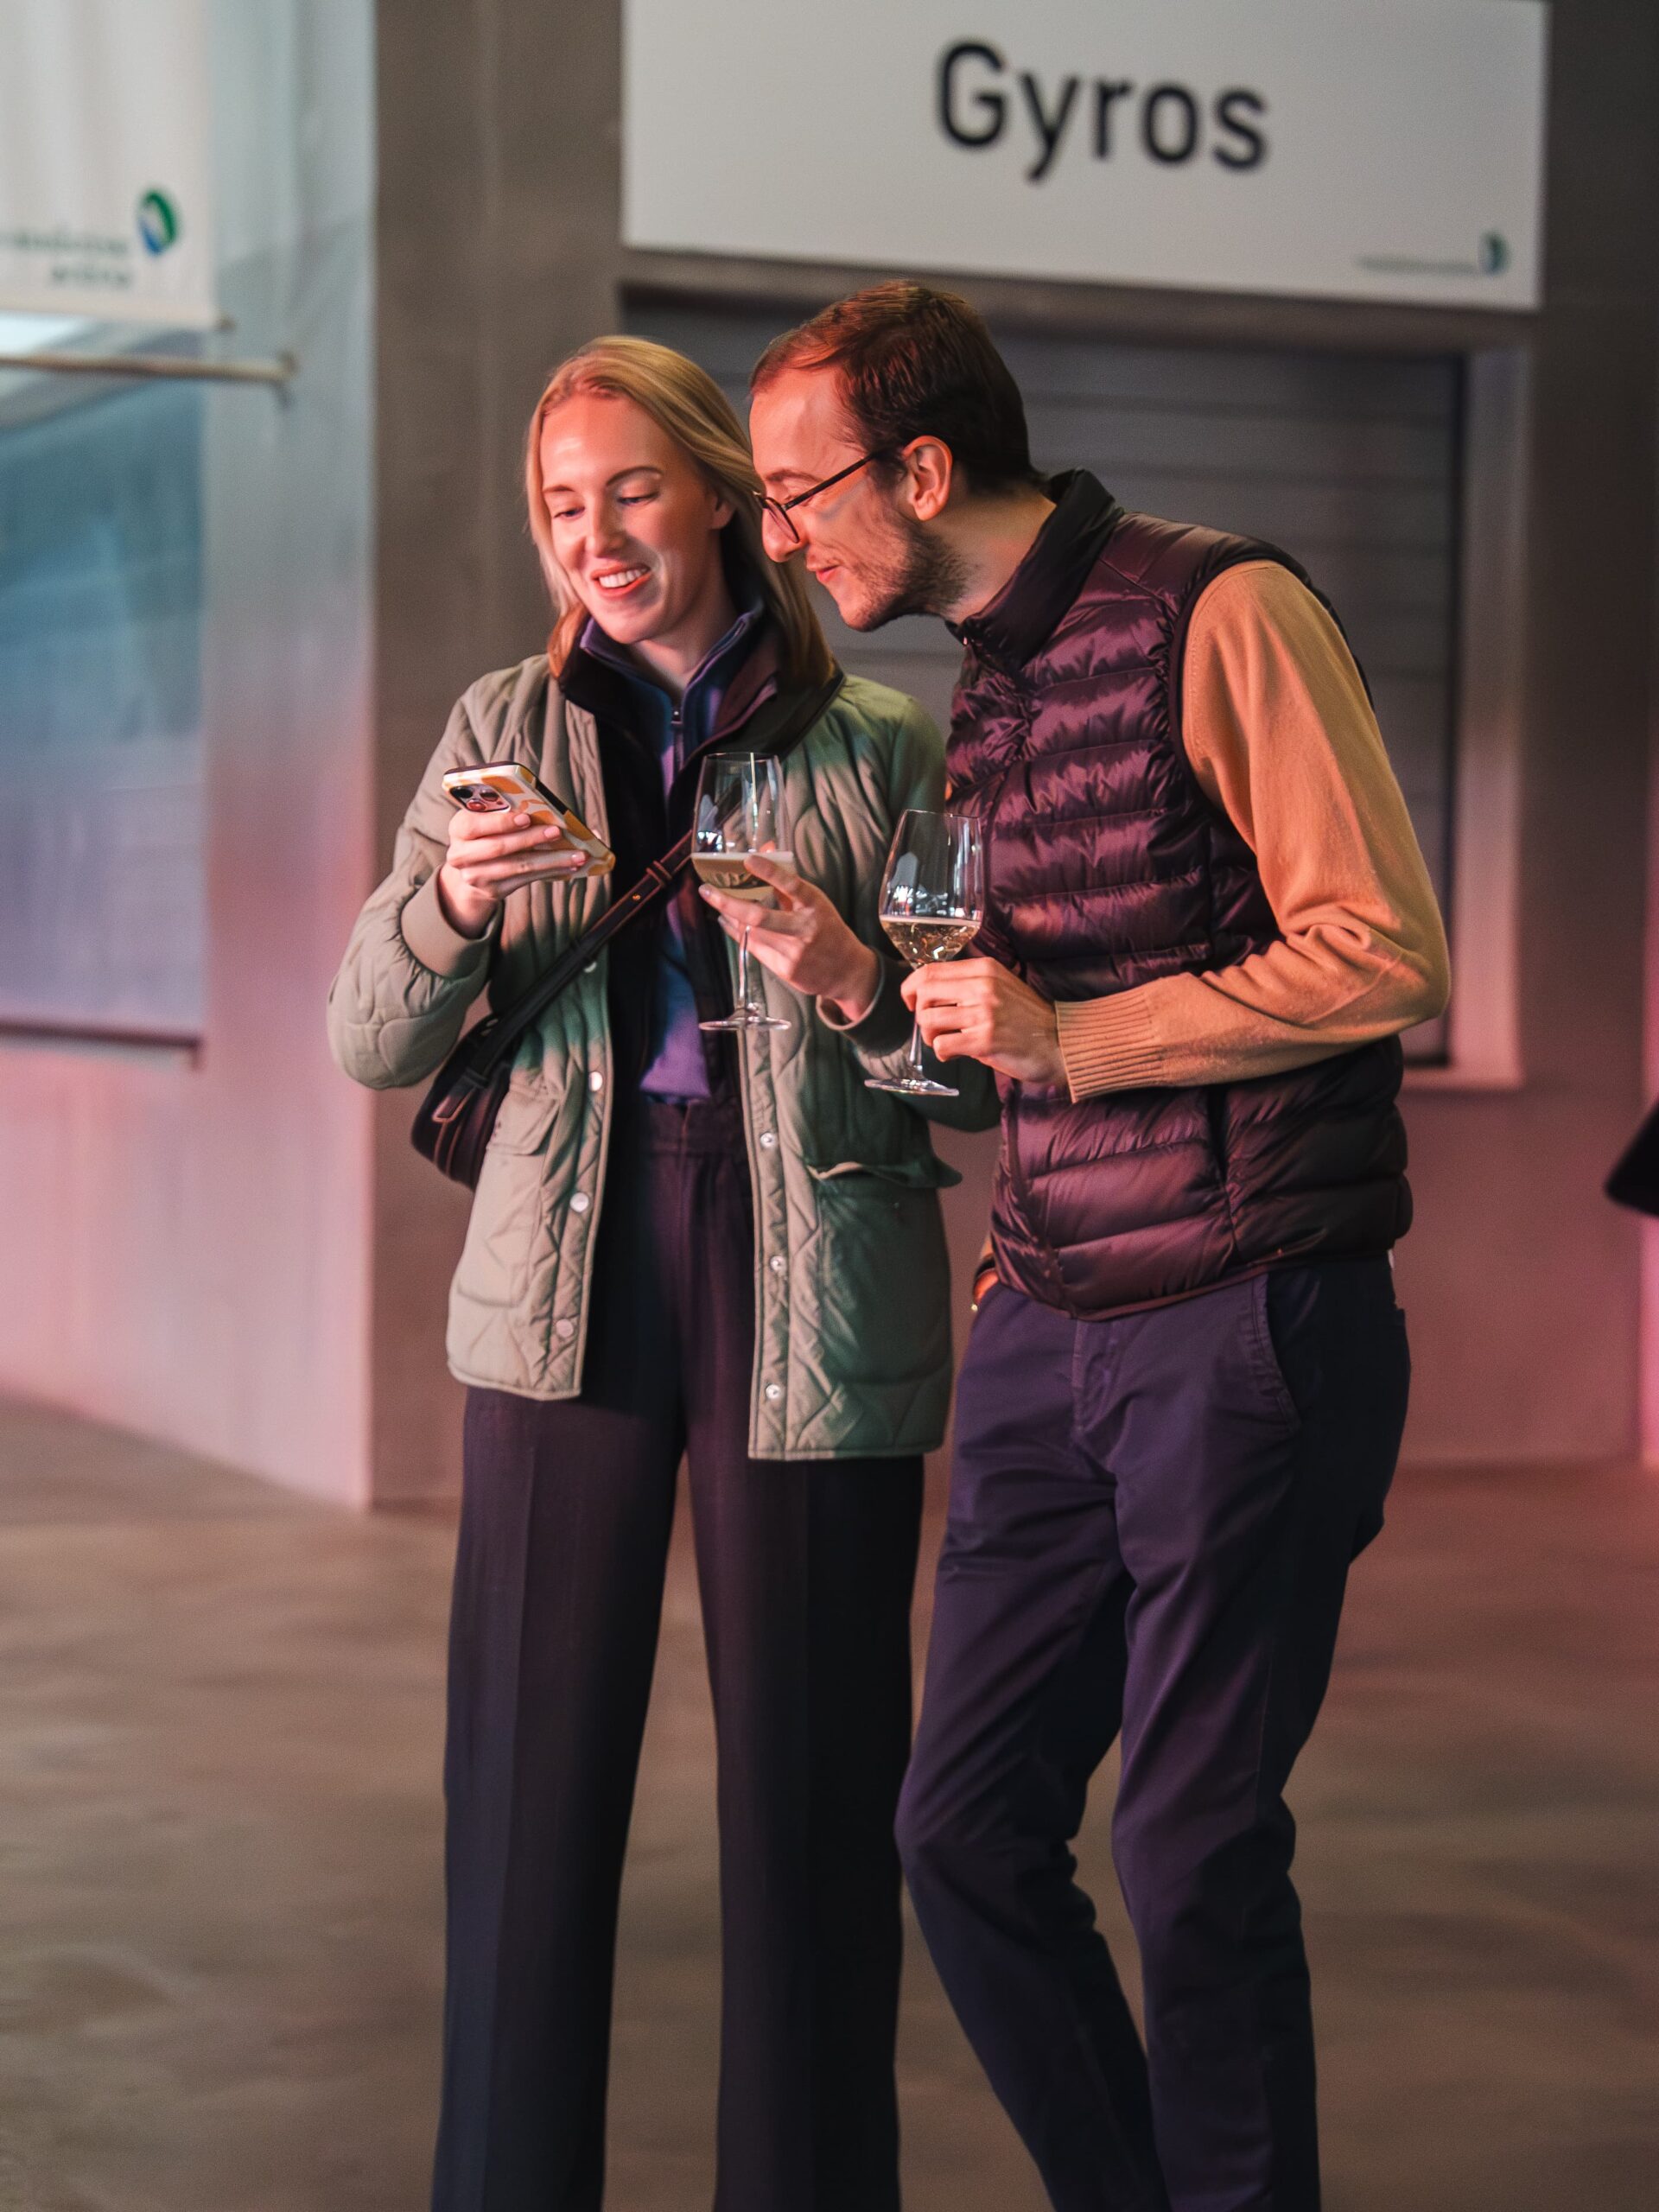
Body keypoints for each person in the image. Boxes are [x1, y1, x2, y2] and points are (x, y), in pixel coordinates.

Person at [749, 283, 1452, 2212]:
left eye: (797, 494)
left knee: (1191, 1848)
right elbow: (1000, 1055)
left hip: (1247, 1314)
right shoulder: (989, 682)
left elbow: (1383, 950)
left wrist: (1074, 1040)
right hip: (1051, 1318)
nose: (781, 540)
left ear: (920, 466)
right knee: (964, 1829)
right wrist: (866, 985)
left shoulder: (1223, 609)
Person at [328, 334, 988, 2212]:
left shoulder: (882, 744)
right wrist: (454, 899)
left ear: (718, 492)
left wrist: (852, 978)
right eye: (561, 506)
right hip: (571, 1267)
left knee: (816, 1803)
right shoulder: (500, 730)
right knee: (525, 1798)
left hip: (817, 1269)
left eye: (629, 489)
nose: (596, 536)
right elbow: (371, 1036)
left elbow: (967, 1075)